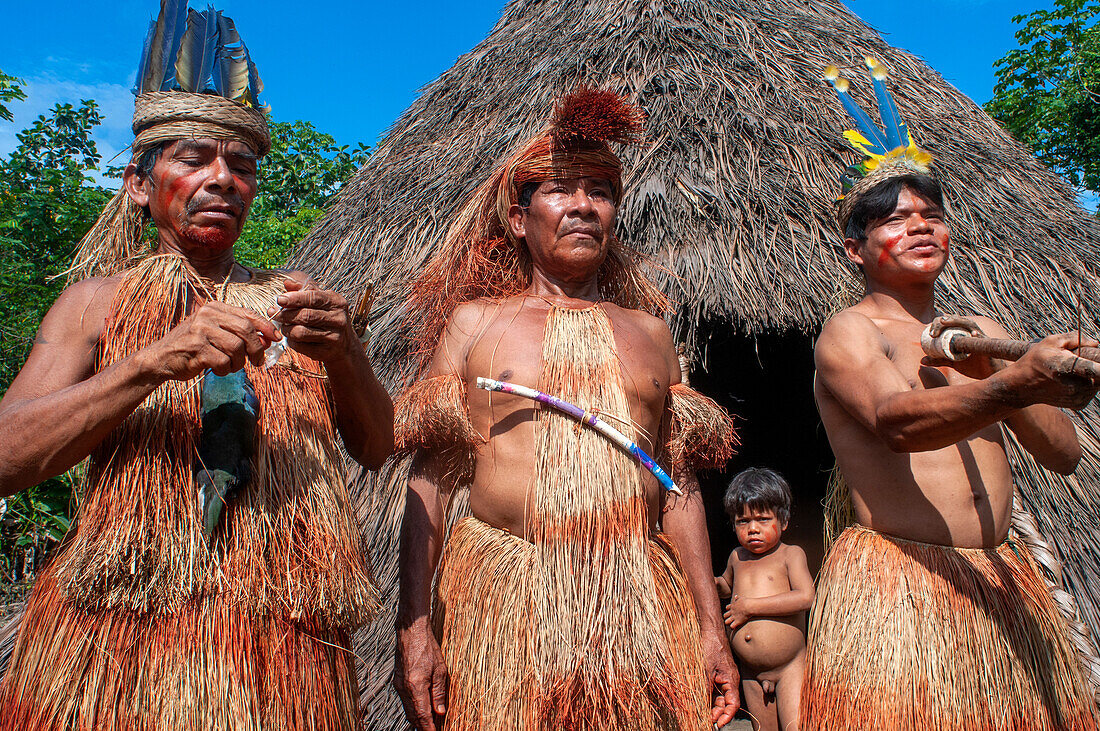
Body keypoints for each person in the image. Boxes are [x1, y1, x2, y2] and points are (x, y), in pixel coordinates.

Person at [0, 4, 393, 728]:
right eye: (193, 159)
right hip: (121, 644)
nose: (222, 179)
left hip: (281, 647)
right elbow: (5, 455)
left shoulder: (293, 303)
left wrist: (346, 357)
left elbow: (376, 446)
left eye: (241, 166)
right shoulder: (93, 306)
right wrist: (147, 364)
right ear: (139, 184)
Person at [392, 87, 740, 731]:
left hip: (634, 599)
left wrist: (710, 627)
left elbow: (678, 485)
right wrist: (415, 628)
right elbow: (431, 483)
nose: (582, 205)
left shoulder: (651, 332)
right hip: (507, 595)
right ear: (519, 219)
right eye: (559, 189)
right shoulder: (475, 326)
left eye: (600, 192)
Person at [805, 61, 1100, 730]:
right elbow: (897, 423)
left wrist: (1041, 384)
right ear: (855, 249)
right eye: (894, 219)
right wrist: (1009, 383)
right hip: (906, 586)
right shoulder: (849, 333)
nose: (918, 227)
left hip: (1001, 582)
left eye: (930, 215)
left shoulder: (984, 334)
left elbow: (1062, 454)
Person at [714, 468, 813, 731]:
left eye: (762, 519)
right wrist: (713, 584)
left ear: (784, 521)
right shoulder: (737, 557)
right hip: (751, 672)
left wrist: (750, 608)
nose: (752, 529)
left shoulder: (790, 555)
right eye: (742, 521)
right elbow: (726, 585)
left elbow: (805, 597)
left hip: (789, 667)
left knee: (796, 726)